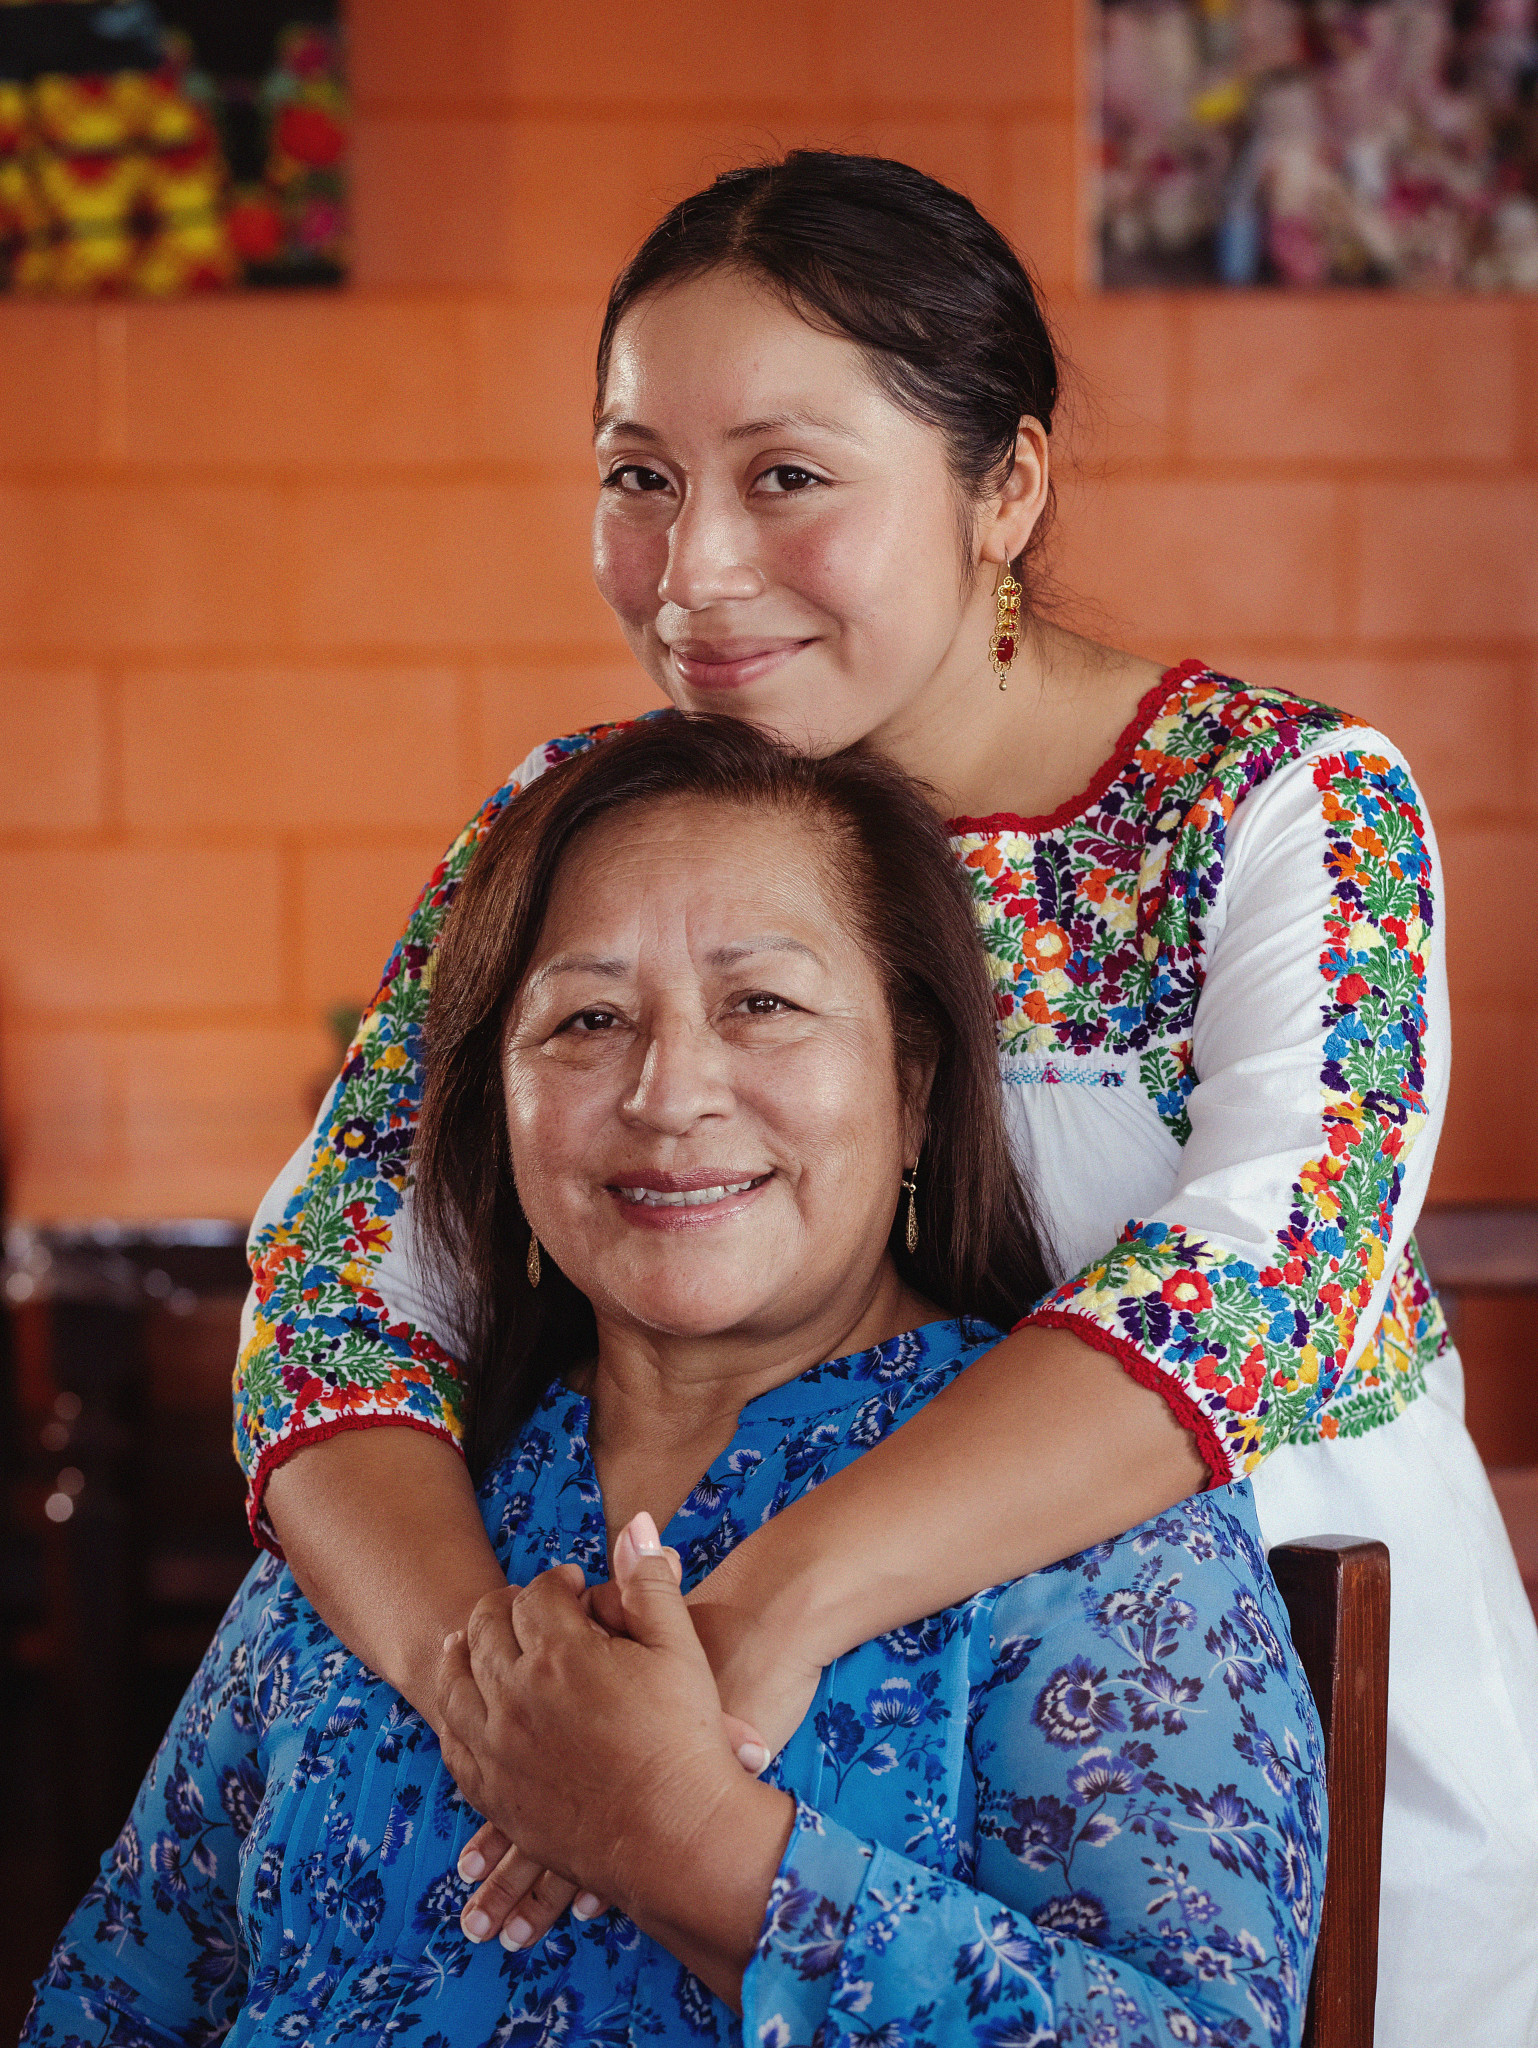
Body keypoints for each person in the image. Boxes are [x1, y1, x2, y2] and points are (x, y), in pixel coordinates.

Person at [234, 154, 1537, 2044]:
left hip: (1225, 1788)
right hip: (685, 1804)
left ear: (1004, 486)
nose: (694, 570)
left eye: (785, 476)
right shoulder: (572, 818)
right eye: (636, 477)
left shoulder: (1277, 808)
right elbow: (329, 1293)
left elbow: (1259, 1290)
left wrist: (760, 1622)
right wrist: (506, 1708)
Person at [26, 719, 1327, 2047]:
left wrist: (684, 1834)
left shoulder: (1082, 1513)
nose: (668, 1093)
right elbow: (113, 2000)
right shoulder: (395, 1503)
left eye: (761, 1004)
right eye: (587, 1020)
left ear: (916, 1083)